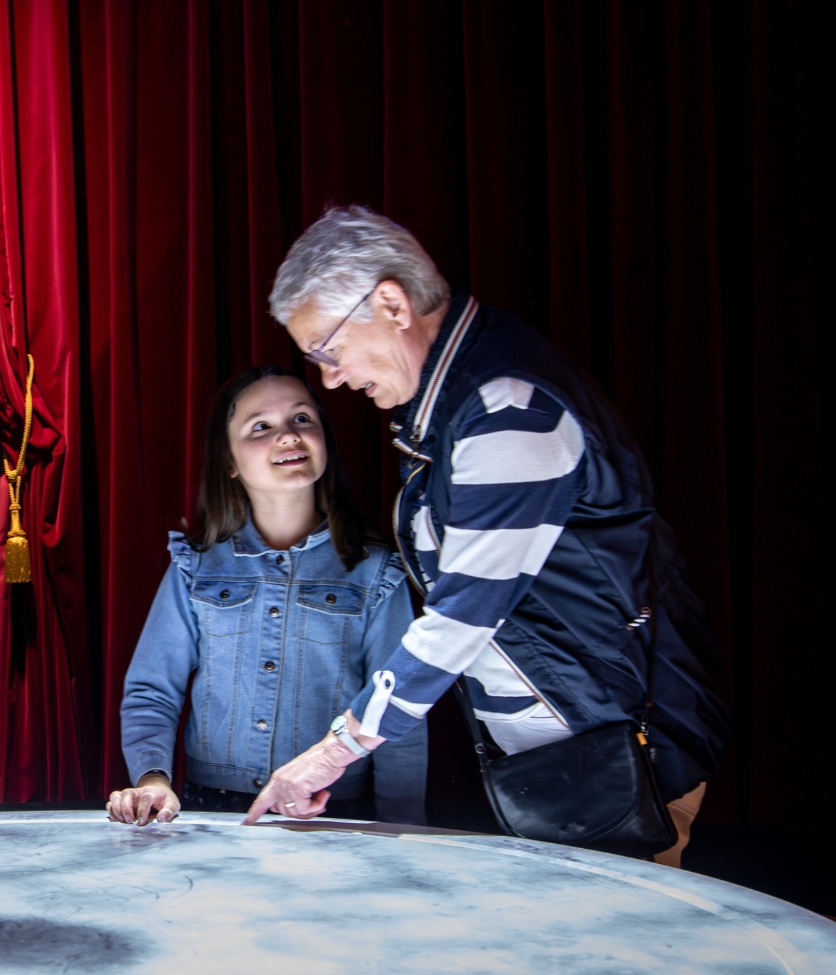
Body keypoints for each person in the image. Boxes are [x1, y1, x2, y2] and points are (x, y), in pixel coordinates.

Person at [251, 206, 728, 866]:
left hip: (617, 754)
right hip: (572, 758)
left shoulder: (505, 404)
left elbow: (462, 614)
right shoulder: (456, 396)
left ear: (390, 304)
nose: (330, 377)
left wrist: (334, 751)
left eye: (328, 350)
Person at [108, 366, 426, 826]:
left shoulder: (378, 572)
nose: (288, 436)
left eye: (302, 419)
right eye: (261, 426)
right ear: (230, 462)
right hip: (214, 808)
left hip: (331, 813)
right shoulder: (194, 567)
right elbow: (152, 690)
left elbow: (396, 712)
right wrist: (154, 779)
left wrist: (403, 828)